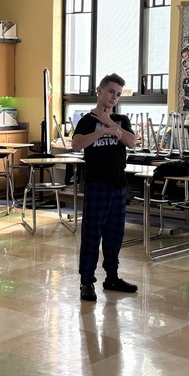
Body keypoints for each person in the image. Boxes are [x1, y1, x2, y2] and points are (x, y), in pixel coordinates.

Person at [71, 73, 138, 303]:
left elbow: (131, 142)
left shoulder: (121, 120)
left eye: (118, 94)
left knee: (114, 234)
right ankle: (87, 281)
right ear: (99, 91)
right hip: (97, 184)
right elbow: (76, 144)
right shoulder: (87, 120)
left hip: (118, 184)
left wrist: (109, 122)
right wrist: (102, 131)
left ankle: (112, 276)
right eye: (110, 92)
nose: (114, 97)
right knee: (92, 235)